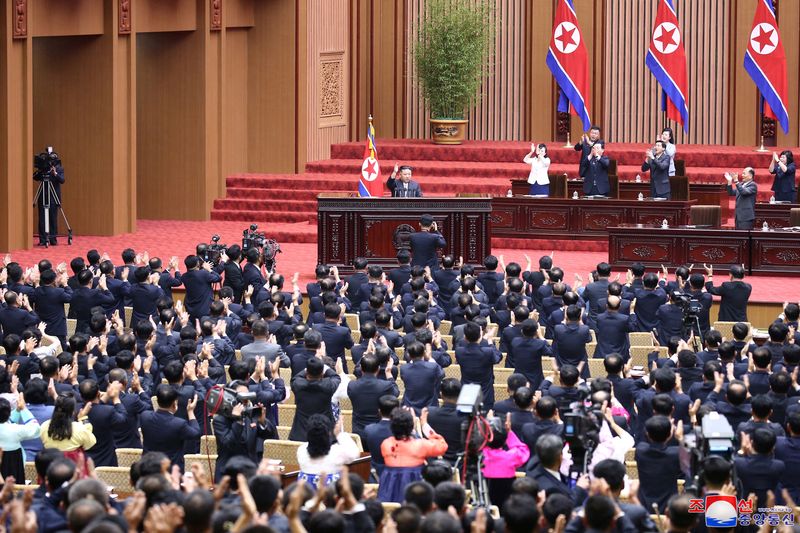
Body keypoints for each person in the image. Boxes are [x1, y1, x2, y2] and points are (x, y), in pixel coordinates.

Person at [378, 407, 448, 502]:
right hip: (414, 494)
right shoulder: (420, 445)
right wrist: (424, 425)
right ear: (411, 426)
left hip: (388, 493)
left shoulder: (385, 444)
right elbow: (442, 446)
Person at [213, 379, 276, 480]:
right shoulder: (220, 420)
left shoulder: (250, 414)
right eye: (242, 397)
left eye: (248, 396)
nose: (246, 401)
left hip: (250, 472)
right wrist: (238, 421)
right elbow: (229, 444)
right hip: (228, 474)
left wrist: (262, 421)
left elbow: (270, 435)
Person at [140, 384, 201, 470]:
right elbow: (196, 433)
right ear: (175, 403)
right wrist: (190, 411)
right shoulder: (179, 424)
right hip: (170, 471)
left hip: (147, 469)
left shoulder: (144, 416)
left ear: (157, 401)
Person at [296, 414, 360, 489]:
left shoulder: (301, 450)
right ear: (329, 433)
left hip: (305, 498)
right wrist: (339, 434)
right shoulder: (336, 452)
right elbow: (355, 453)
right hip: (331, 499)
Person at [40, 393, 96, 476]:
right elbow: (90, 443)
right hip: (74, 472)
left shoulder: (44, 426)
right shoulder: (79, 428)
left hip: (50, 471)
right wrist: (83, 419)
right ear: (73, 411)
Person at [347, 354, 399, 440]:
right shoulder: (385, 386)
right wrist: (388, 373)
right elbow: (396, 393)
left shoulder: (352, 385)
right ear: (378, 369)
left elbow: (356, 371)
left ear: (361, 369)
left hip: (359, 434)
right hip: (379, 433)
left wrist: (365, 354)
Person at [288, 357, 341, 441]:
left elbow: (296, 377)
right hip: (325, 435)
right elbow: (336, 377)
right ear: (322, 373)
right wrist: (324, 367)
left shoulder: (297, 384)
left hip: (300, 434)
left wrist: (309, 367)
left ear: (307, 372)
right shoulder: (328, 385)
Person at [455, 322, 502, 408]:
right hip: (485, 394)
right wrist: (490, 341)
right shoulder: (488, 351)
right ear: (480, 336)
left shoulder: (459, 351)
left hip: (466, 393)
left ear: (465, 337)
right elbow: (498, 358)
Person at [0, 396, 41, 480]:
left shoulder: (13, 428)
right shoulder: (15, 430)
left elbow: (7, 421)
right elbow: (36, 429)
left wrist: (18, 410)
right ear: (8, 413)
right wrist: (23, 409)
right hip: (14, 470)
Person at [33, 147, 65, 246]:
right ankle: (43, 240)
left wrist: (55, 173)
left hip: (53, 197)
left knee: (53, 218)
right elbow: (35, 178)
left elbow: (62, 180)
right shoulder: (43, 170)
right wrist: (40, 171)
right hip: (43, 196)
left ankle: (53, 239)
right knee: (42, 218)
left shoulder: (59, 168)